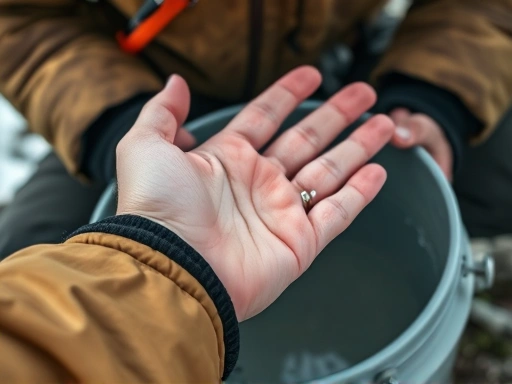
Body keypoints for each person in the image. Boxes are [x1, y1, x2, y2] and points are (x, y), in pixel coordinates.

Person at [1, 0, 512, 258]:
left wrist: (438, 97)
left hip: (368, 63)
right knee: (34, 261)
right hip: (153, 90)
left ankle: (374, 260)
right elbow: (19, 19)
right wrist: (116, 126)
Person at [0, 68, 394, 381]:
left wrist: (431, 91)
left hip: (352, 62)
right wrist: (108, 120)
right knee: (22, 237)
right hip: (122, 84)